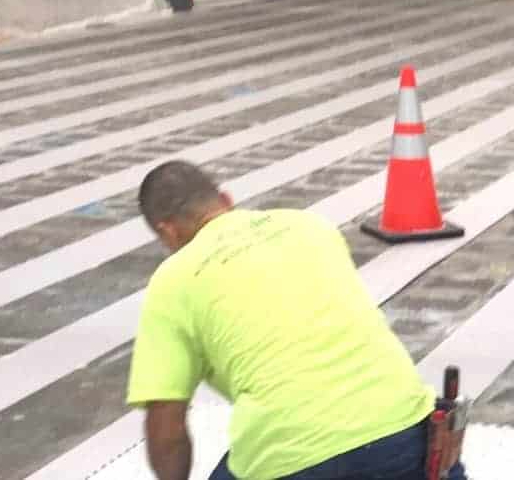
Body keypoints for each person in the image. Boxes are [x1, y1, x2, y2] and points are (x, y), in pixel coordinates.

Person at [127, 161, 435, 480]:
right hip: (407, 429)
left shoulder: (174, 280)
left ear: (168, 230)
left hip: (294, 455)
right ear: (227, 200)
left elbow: (167, 426)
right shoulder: (310, 226)